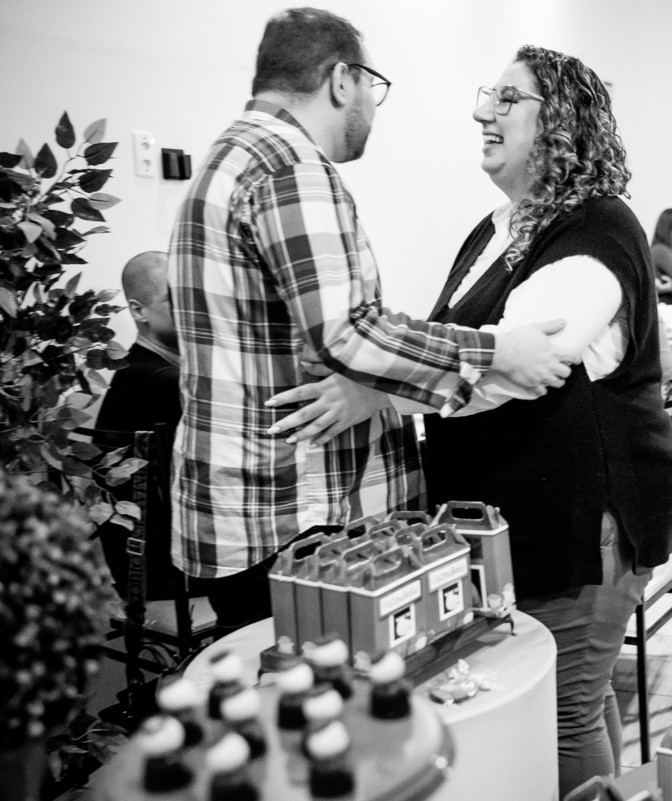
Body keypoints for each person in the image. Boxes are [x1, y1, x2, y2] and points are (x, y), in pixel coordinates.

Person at [168, 9, 571, 632]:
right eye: (372, 88)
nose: (374, 109)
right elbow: (350, 333)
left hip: (243, 506)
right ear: (340, 80)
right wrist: (496, 352)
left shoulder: (229, 156)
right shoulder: (289, 166)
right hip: (294, 511)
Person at [423, 46, 672, 797]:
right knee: (587, 692)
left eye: (508, 100)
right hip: (530, 511)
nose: (484, 112)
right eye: (488, 97)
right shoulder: (495, 229)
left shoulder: (596, 227)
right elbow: (462, 341)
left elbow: (515, 365)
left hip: (586, 518)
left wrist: (377, 382)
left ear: (563, 121)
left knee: (564, 709)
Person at [94, 250, 185, 600]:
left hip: (133, 565)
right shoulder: (165, 380)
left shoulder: (129, 371)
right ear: (137, 310)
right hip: (166, 571)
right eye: (173, 299)